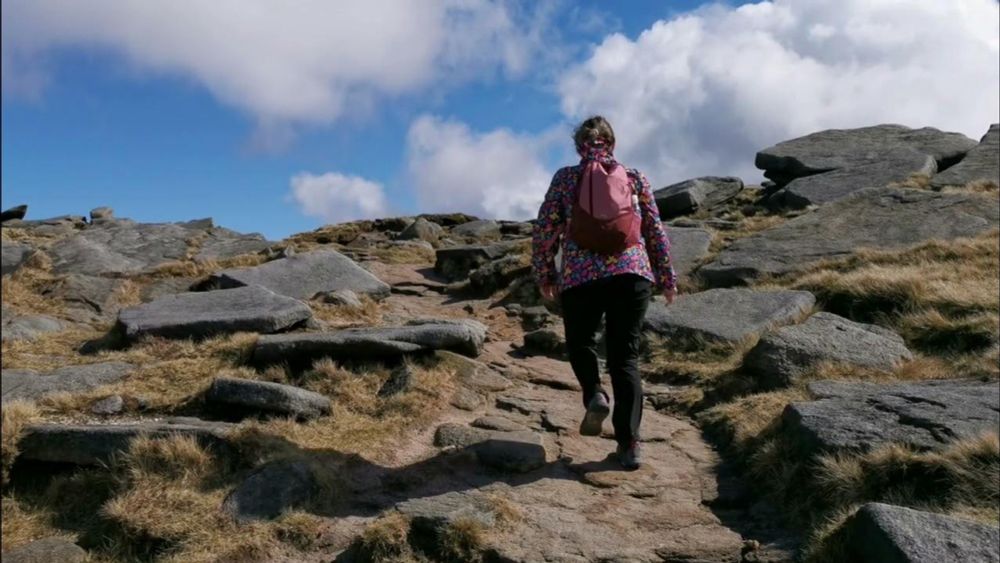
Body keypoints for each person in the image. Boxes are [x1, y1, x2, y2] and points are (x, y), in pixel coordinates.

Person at [531, 115, 677, 470]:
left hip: (582, 276)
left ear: (578, 144)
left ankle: (595, 393)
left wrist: (545, 271)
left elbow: (545, 228)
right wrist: (666, 276)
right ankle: (629, 445)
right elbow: (653, 229)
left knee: (580, 342)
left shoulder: (566, 178)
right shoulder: (634, 176)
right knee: (624, 356)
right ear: (612, 142)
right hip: (631, 273)